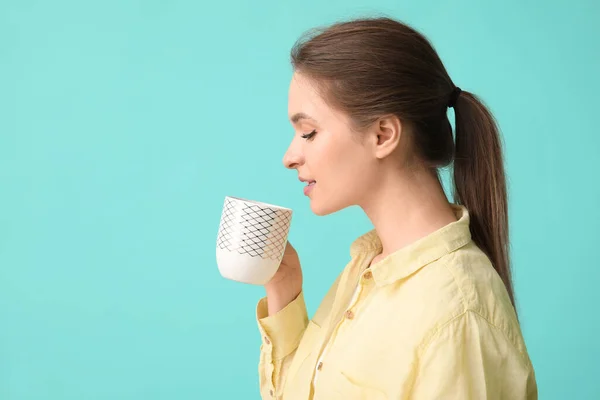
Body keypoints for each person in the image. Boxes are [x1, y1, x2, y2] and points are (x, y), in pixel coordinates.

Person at [255, 17, 537, 400]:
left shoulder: (456, 313)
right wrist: (283, 290)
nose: (290, 157)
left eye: (308, 132)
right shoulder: (366, 269)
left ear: (382, 135)